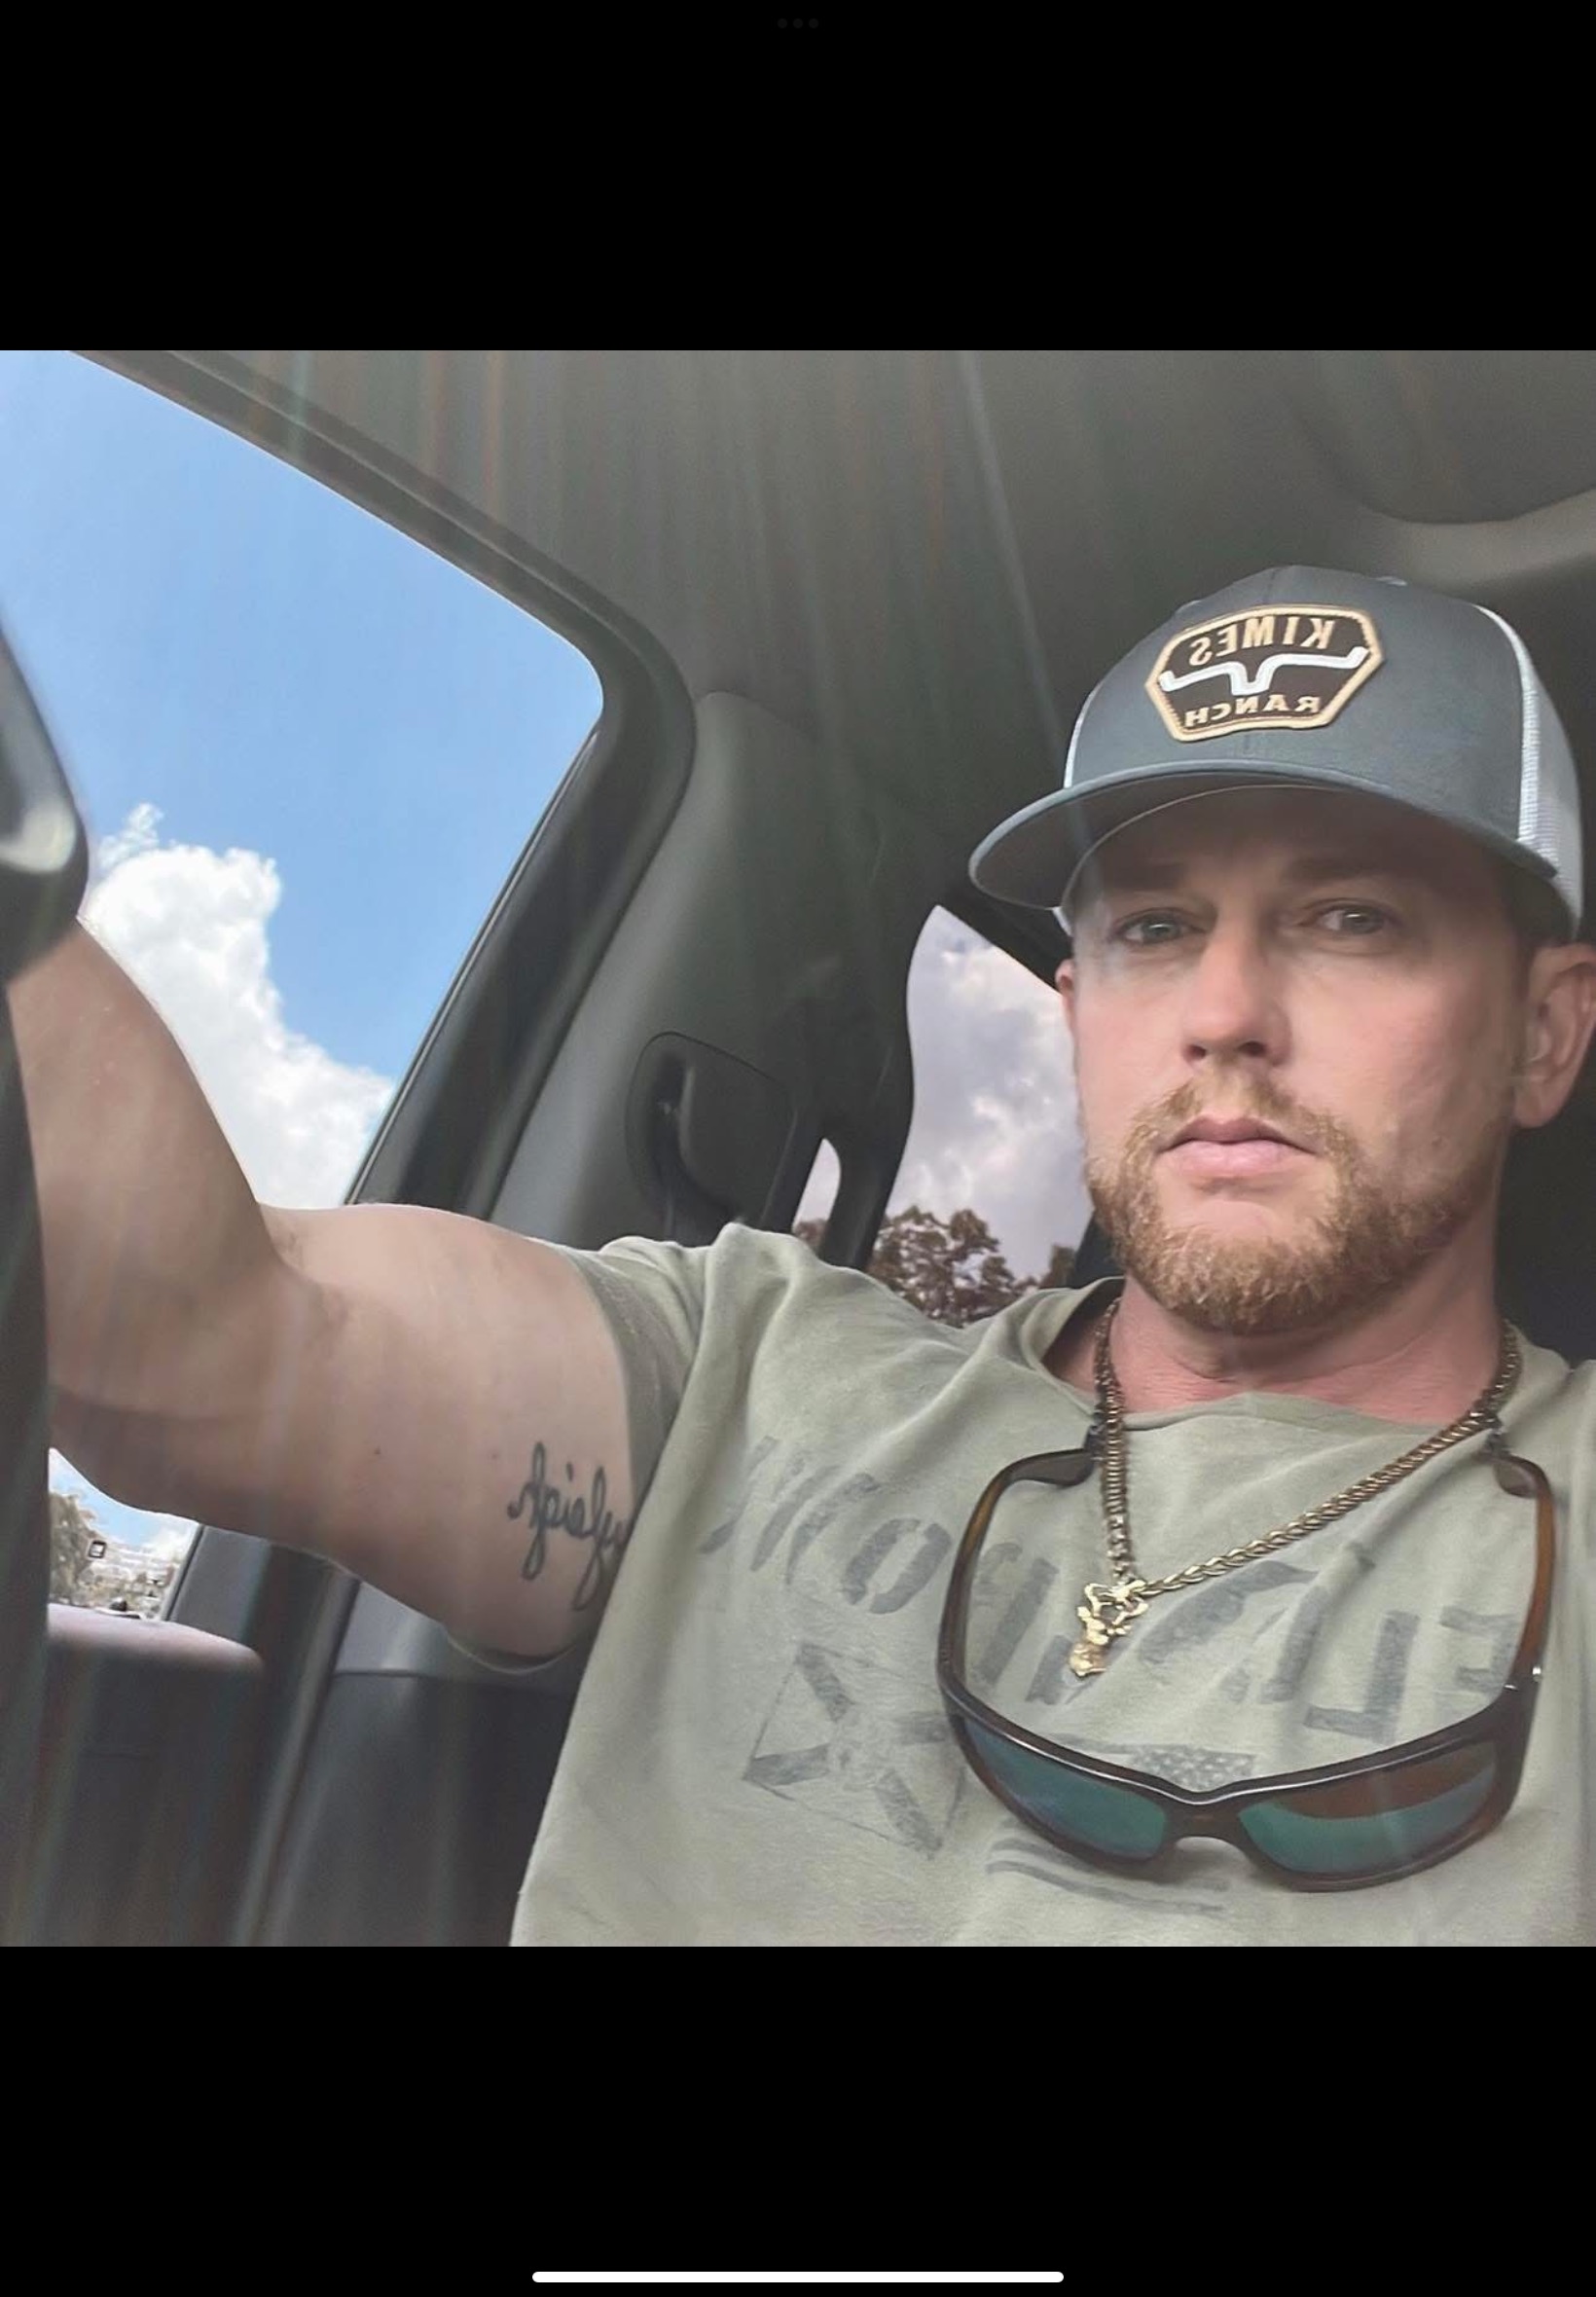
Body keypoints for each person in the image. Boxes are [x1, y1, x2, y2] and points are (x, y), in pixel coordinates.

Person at [11, 565, 1596, 1944]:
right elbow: (204, 1337)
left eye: (1353, 919)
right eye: (1155, 928)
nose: (1225, 1010)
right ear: (1077, 1014)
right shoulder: (748, 1363)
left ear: (1544, 1032)